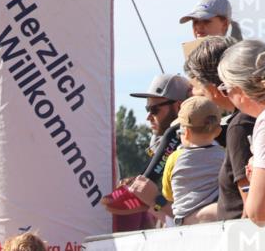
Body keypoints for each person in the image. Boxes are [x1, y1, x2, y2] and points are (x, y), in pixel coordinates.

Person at [217, 39, 265, 226]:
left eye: (225, 89)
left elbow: (261, 215)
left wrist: (254, 174)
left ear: (240, 88)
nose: (226, 96)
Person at [105, 74, 192, 228]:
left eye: (154, 110)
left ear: (179, 107)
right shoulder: (161, 144)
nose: (148, 117)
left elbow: (188, 215)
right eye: (147, 109)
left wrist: (155, 201)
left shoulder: (190, 152)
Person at [183, 35, 255, 220]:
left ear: (213, 88)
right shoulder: (258, 113)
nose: (197, 92)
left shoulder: (240, 125)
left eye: (198, 84)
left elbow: (251, 205)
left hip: (249, 240)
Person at [158, 97, 224, 225]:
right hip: (215, 221)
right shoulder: (224, 155)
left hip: (184, 222)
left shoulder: (175, 158)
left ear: (186, 132)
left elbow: (167, 193)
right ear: (218, 131)